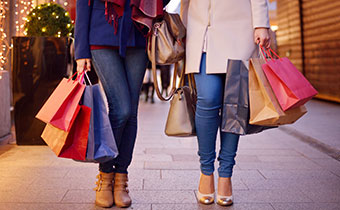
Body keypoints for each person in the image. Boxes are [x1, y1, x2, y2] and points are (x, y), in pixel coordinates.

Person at [74, 0, 169, 208]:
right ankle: (105, 176)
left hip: (138, 33)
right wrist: (80, 51)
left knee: (131, 113)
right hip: (101, 33)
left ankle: (121, 180)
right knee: (121, 109)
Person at [181, 0, 271, 206]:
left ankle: (225, 174)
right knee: (208, 98)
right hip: (200, 30)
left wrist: (261, 24)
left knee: (234, 103)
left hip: (239, 30)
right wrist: (182, 27)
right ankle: (206, 171)